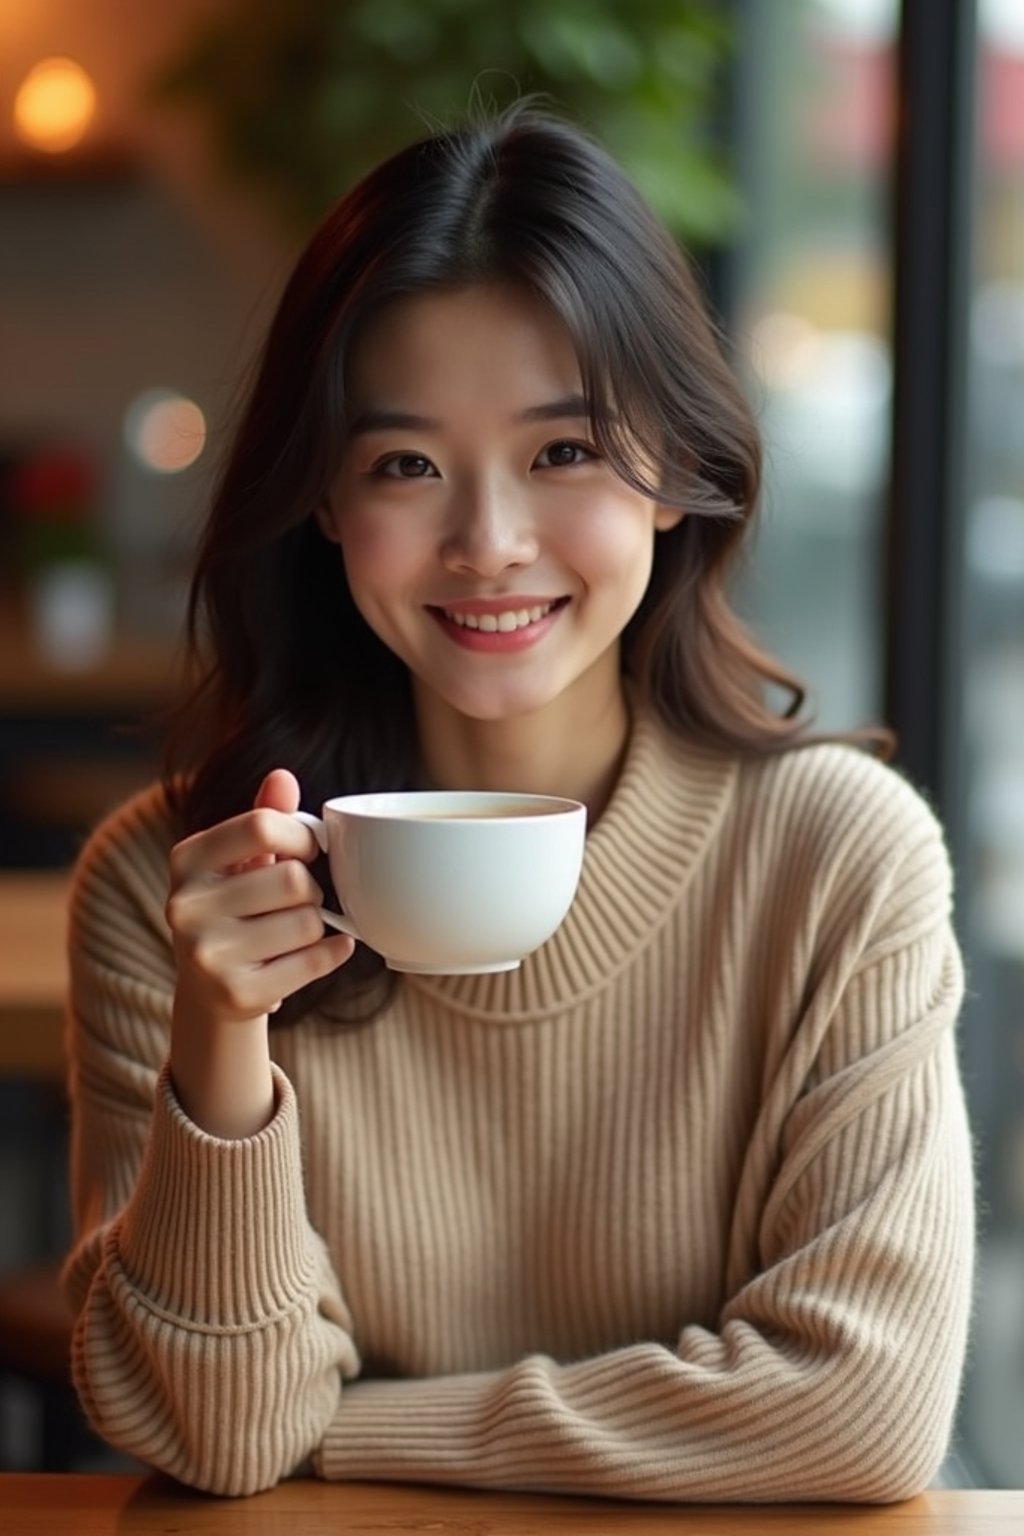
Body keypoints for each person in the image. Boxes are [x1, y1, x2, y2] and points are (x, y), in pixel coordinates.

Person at [62, 101, 975, 1502]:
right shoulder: (171, 890)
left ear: (673, 475)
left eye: (564, 453)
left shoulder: (839, 862)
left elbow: (861, 1409)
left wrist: (348, 1431)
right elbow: (218, 1434)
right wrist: (222, 1059)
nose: (488, 545)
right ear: (322, 500)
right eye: (406, 466)